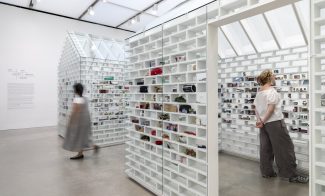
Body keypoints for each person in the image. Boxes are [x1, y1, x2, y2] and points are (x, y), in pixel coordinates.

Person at [253, 69, 308, 183]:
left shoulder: (259, 92)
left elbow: (256, 108)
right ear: (269, 78)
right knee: (285, 148)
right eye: (273, 76)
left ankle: (267, 172)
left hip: (263, 124)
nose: (275, 78)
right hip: (274, 123)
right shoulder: (271, 92)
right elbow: (271, 109)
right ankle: (290, 175)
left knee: (266, 148)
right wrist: (263, 120)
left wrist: (260, 121)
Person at [63, 83, 98, 159]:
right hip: (86, 120)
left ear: (76, 90)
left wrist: (71, 122)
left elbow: (75, 111)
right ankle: (89, 149)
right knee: (84, 136)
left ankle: (81, 153)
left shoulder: (77, 99)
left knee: (79, 137)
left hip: (80, 121)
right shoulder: (85, 98)